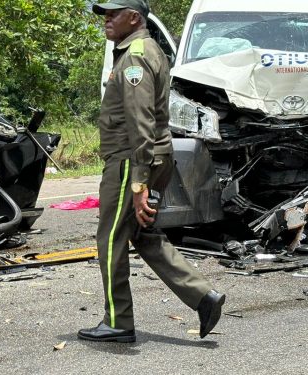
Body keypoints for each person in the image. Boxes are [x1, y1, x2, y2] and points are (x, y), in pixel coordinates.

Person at [78, 0, 225, 343]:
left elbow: (140, 120)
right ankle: (203, 296)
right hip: (149, 156)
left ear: (134, 17)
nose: (107, 19)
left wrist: (138, 181)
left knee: (112, 238)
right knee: (143, 234)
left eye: (113, 13)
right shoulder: (145, 48)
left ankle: (118, 322)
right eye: (104, 14)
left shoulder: (135, 56)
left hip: (132, 159)